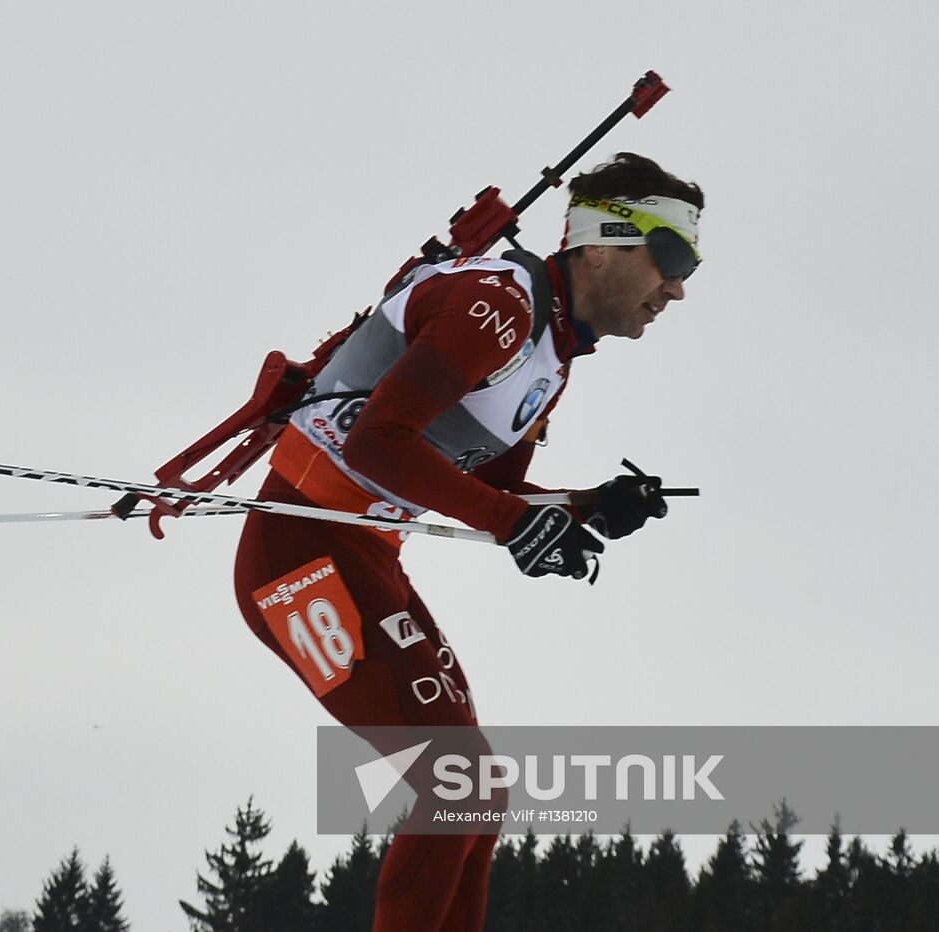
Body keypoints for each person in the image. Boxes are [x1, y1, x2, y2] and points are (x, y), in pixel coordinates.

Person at [232, 152, 704, 932]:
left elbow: (490, 490)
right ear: (601, 243)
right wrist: (520, 524)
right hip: (299, 553)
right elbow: (380, 443)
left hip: (365, 558)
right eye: (673, 258)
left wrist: (586, 505)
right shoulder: (501, 307)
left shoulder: (551, 356)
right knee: (459, 787)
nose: (679, 289)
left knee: (477, 797)